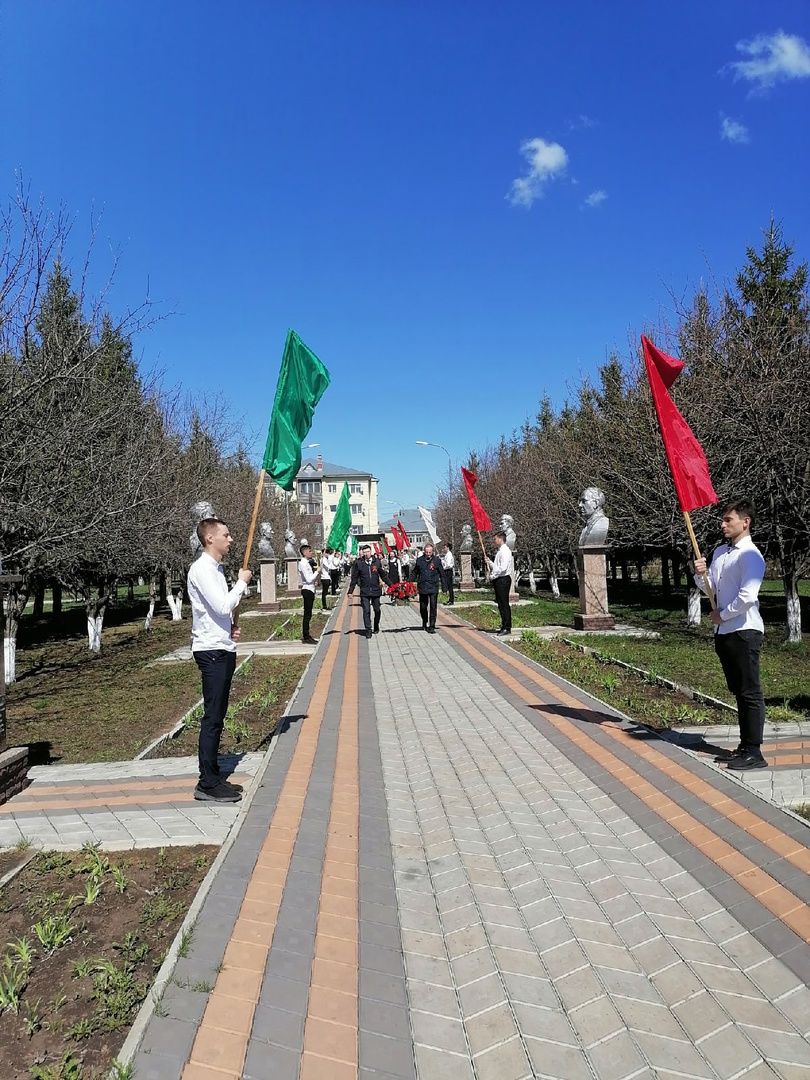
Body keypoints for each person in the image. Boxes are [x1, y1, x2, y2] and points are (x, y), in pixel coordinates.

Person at [693, 499, 767, 771]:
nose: (723, 525)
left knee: (749, 691)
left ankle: (754, 751)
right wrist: (700, 575)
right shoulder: (722, 552)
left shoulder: (751, 556)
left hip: (744, 631)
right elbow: (709, 589)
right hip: (724, 632)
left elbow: (748, 597)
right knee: (738, 691)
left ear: (745, 522)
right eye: (723, 520)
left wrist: (722, 615)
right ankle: (744, 745)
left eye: (729, 520)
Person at [187, 518, 252, 802]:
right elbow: (222, 603)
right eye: (226, 534)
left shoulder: (215, 569)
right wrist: (241, 583)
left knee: (219, 716)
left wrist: (228, 626)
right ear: (210, 538)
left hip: (221, 645)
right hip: (211, 651)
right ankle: (208, 782)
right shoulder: (201, 569)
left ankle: (213, 776)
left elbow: (219, 611)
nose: (231, 539)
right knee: (212, 717)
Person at [348, 543, 389, 638]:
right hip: (365, 591)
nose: (366, 554)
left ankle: (376, 625)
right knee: (366, 610)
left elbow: (383, 575)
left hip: (375, 590)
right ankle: (368, 630)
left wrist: (391, 586)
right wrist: (350, 591)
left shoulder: (377, 562)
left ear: (371, 552)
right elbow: (354, 578)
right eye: (364, 552)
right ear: (362, 553)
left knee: (377, 610)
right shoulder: (359, 563)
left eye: (368, 552)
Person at [412, 542, 444, 633]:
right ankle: (424, 621)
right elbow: (415, 572)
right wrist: (409, 582)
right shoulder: (419, 560)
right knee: (423, 607)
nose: (428, 554)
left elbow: (442, 573)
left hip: (433, 587)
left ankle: (432, 626)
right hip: (423, 587)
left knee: (433, 607)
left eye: (430, 552)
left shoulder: (437, 560)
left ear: (432, 552)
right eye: (426, 552)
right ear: (424, 552)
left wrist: (444, 587)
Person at [487, 530, 514, 636]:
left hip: (503, 580)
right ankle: (504, 624)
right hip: (499, 579)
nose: (494, 541)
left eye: (495, 539)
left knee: (504, 604)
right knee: (500, 604)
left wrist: (493, 575)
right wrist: (490, 562)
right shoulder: (500, 551)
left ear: (500, 539)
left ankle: (507, 627)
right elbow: (498, 566)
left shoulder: (505, 551)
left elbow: (502, 568)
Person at [298, 543, 318, 644]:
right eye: (310, 551)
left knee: (309, 614)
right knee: (307, 614)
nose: (311, 553)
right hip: (307, 590)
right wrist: (317, 572)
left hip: (310, 589)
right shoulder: (303, 563)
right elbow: (309, 579)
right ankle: (306, 636)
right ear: (305, 552)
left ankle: (307, 635)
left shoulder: (307, 562)